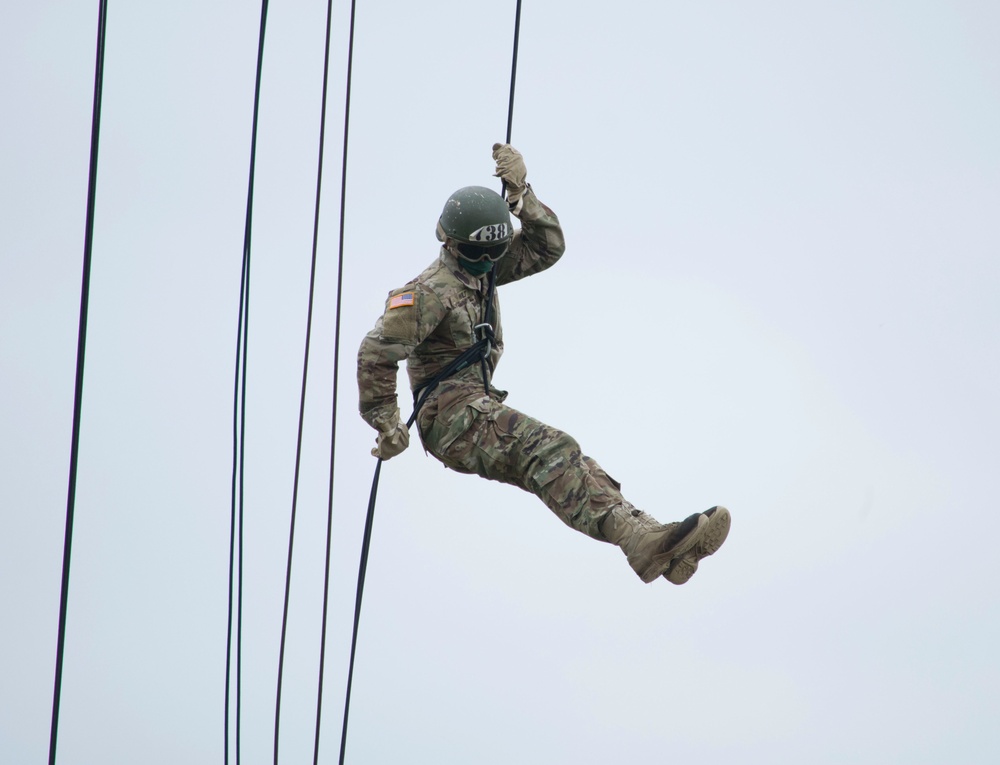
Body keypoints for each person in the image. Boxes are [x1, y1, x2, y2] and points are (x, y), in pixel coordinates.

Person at [357, 144, 730, 584]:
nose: (486, 266)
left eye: (493, 256)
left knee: (571, 460)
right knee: (548, 450)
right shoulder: (426, 293)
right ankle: (641, 544)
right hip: (450, 416)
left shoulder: (486, 265)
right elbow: (375, 353)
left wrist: (519, 194)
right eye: (477, 256)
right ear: (450, 244)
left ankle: (658, 540)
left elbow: (546, 247)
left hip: (477, 404)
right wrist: (387, 422)